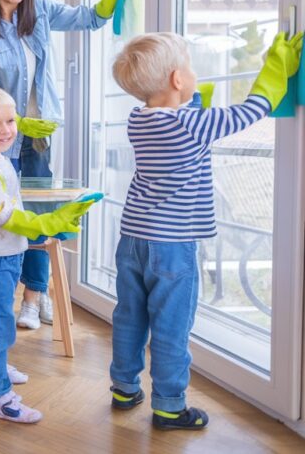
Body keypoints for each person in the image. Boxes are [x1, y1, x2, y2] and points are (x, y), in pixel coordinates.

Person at [108, 31, 301, 430]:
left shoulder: (138, 120)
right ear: (178, 80)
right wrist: (276, 65)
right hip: (172, 246)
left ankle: (124, 388)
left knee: (130, 316)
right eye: (190, 69)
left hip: (133, 238)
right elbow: (254, 108)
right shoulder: (193, 125)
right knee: (170, 325)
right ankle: (169, 405)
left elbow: (181, 118)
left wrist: (189, 95)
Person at [0, 0, 129, 331]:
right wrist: (15, 120)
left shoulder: (39, 12)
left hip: (40, 136)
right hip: (2, 136)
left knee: (38, 215)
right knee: (7, 218)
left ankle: (34, 296)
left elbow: (90, 19)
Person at [0, 84, 100, 423]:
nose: (7, 130)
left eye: (11, 121)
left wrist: (5, 119)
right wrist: (48, 222)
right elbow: (7, 217)